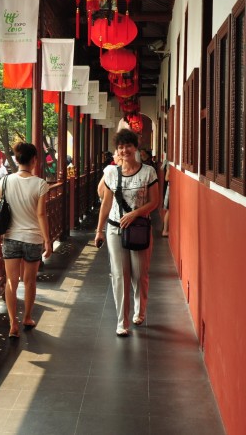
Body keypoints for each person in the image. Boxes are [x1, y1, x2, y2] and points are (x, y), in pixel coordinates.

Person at [94, 129, 159, 337]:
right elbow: (105, 202)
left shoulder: (148, 172)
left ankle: (140, 311)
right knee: (119, 275)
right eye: (121, 147)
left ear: (135, 147)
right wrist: (99, 230)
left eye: (128, 146)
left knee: (140, 274)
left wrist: (135, 214)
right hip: (115, 228)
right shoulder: (111, 172)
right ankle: (122, 321)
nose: (124, 150)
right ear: (117, 150)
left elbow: (154, 201)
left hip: (139, 227)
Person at [0, 142, 52, 339]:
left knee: (11, 281)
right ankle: (27, 317)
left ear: (17, 160)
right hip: (33, 238)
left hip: (11, 237)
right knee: (29, 281)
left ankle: (12, 324)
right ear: (34, 160)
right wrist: (48, 240)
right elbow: (41, 214)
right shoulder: (41, 184)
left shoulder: (5, 182)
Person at [161, 156, 171, 237]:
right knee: (168, 210)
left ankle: (164, 229)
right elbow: (167, 178)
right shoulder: (169, 163)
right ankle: (165, 230)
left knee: (168, 210)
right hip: (169, 189)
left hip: (169, 188)